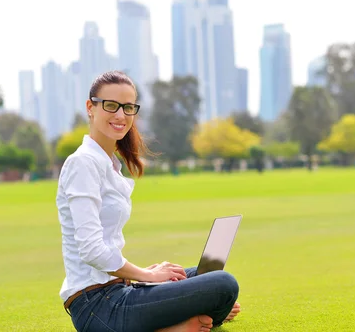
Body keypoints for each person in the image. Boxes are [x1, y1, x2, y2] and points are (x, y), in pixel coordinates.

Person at [56, 71, 241, 332]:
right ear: (91, 108)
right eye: (111, 105)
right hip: (98, 307)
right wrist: (148, 276)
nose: (120, 115)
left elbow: (107, 247)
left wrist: (143, 275)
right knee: (223, 284)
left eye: (128, 108)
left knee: (204, 277)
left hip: (119, 289)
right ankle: (175, 326)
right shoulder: (83, 163)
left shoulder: (109, 165)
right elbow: (91, 250)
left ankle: (197, 312)